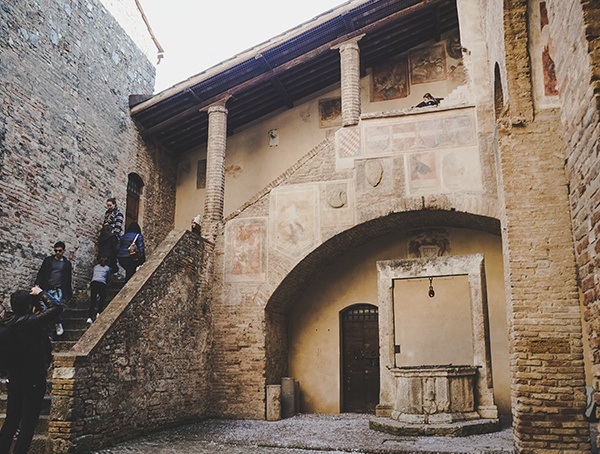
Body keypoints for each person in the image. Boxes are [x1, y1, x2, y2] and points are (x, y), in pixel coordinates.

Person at [0, 285, 62, 454]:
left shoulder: (7, 322)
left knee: (11, 420)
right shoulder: (31, 323)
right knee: (28, 424)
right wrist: (40, 293)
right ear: (29, 306)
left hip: (14, 378)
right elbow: (56, 307)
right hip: (33, 380)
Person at [34, 241, 72, 336]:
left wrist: (68, 293)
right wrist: (37, 284)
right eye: (56, 251)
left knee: (56, 307)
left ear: (63, 251)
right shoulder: (48, 260)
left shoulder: (67, 264)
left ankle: (58, 323)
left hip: (58, 289)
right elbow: (41, 273)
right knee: (46, 309)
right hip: (48, 288)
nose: (57, 253)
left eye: (60, 251)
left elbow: (68, 278)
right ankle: (47, 330)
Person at [87, 257, 111, 325]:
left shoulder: (95, 267)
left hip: (94, 283)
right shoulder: (107, 268)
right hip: (102, 283)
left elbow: (92, 275)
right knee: (102, 298)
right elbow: (108, 278)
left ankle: (89, 317)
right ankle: (99, 312)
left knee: (93, 300)